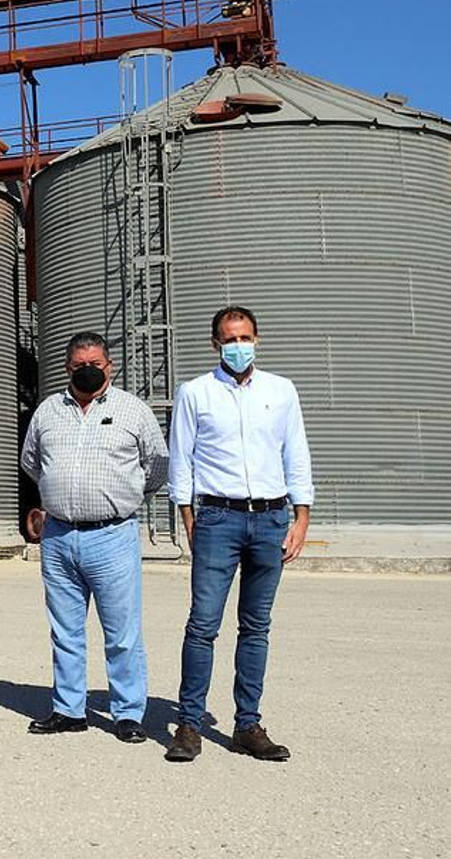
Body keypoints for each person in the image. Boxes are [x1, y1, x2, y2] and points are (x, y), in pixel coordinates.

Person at [165, 306, 313, 764]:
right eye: (230, 338)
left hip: (270, 518)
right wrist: (189, 519)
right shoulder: (196, 393)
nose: (239, 346)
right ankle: (189, 723)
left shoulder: (281, 391)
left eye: (246, 337)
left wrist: (301, 517)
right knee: (203, 624)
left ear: (257, 339)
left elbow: (296, 453)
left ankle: (247, 724)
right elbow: (181, 459)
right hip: (217, 519)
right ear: (215, 343)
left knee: (256, 626)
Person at [19, 332, 167, 744]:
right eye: (79, 363)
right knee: (65, 629)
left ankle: (128, 713)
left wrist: (123, 497)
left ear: (109, 366)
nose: (88, 369)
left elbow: (156, 467)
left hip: (112, 535)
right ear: (67, 368)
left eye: (96, 363)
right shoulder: (48, 411)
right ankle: (69, 709)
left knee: (122, 632)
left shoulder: (133, 411)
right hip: (59, 535)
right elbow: (32, 463)